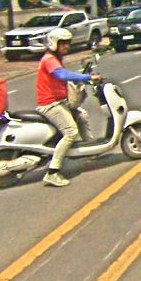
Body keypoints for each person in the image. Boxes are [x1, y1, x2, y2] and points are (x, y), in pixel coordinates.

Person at [37, 27, 101, 188]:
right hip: (50, 104)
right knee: (71, 132)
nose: (66, 46)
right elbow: (62, 75)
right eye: (63, 43)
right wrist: (87, 77)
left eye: (68, 43)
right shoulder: (49, 59)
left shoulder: (56, 59)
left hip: (59, 101)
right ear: (54, 43)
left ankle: (91, 149)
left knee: (82, 115)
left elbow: (65, 76)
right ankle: (52, 172)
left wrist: (85, 79)